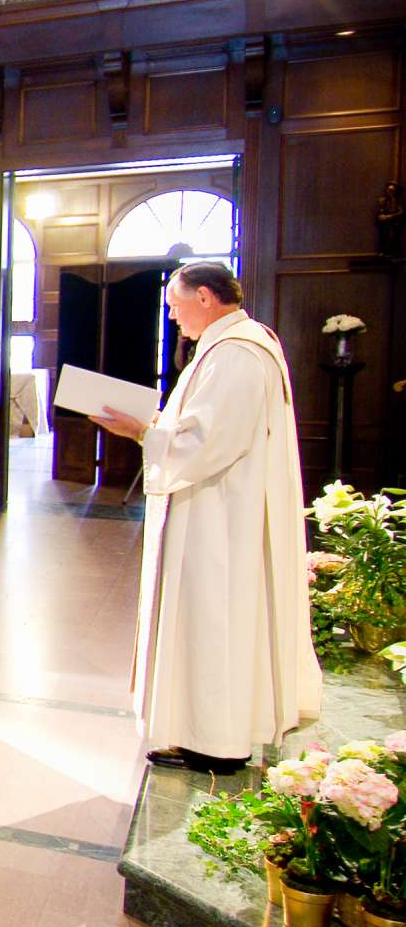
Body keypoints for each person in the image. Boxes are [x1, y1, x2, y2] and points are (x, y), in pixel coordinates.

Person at [94, 261, 318, 772]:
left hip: (220, 520)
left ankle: (216, 742)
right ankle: (201, 732)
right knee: (210, 620)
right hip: (216, 509)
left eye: (175, 304)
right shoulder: (231, 347)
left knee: (214, 619)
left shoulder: (237, 354)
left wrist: (140, 433)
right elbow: (202, 426)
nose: (172, 317)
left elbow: (209, 441)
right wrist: (157, 424)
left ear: (204, 298)